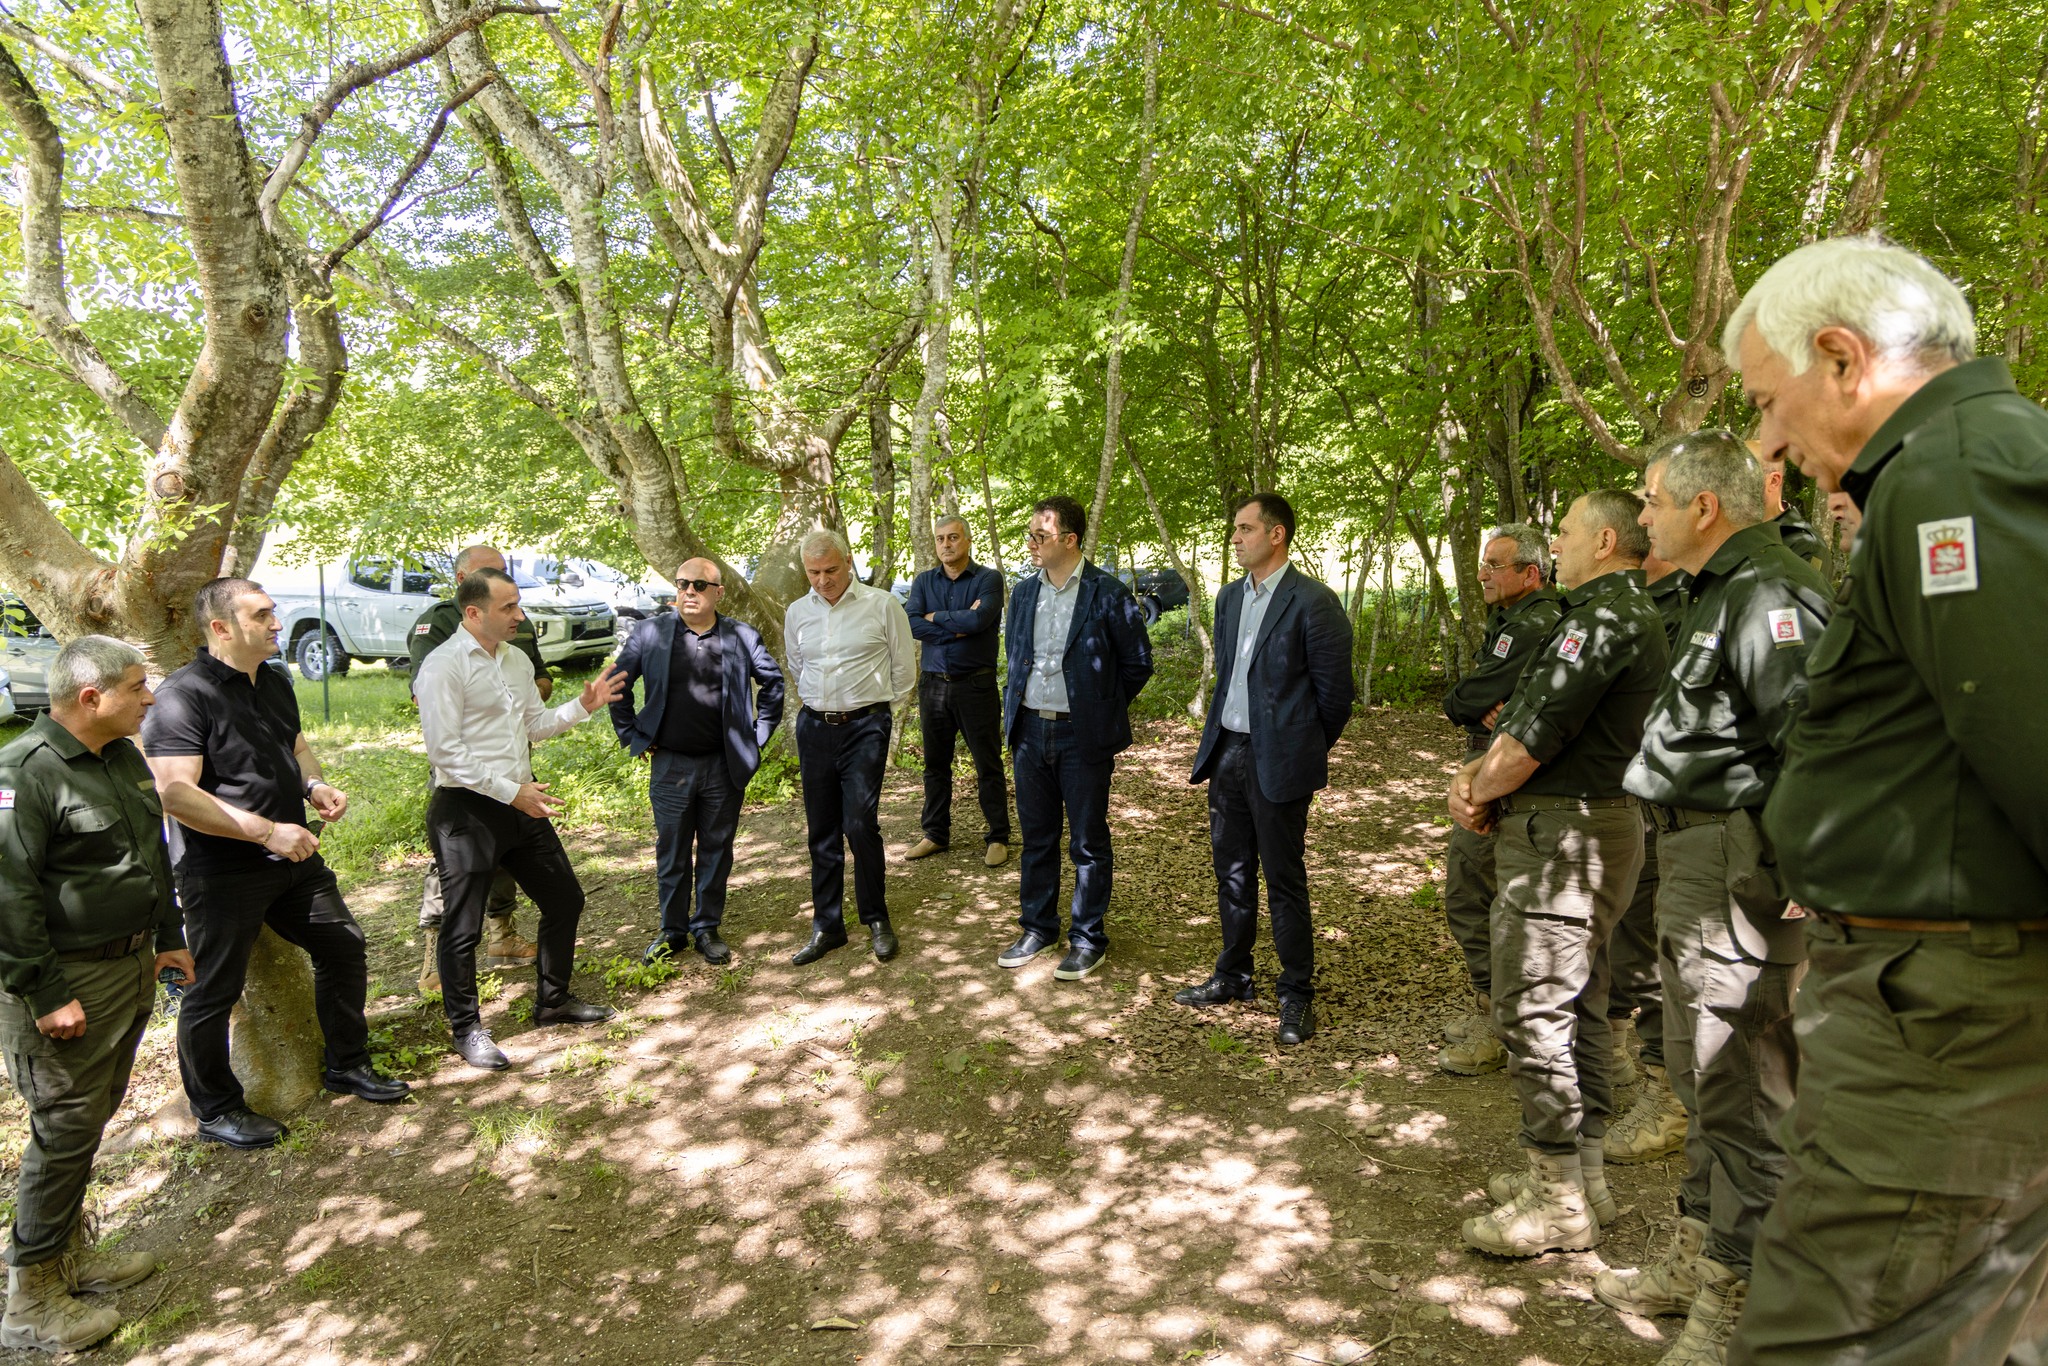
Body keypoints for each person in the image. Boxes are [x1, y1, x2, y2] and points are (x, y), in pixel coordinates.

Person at [1723, 238, 2048, 1364]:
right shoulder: (1947, 471)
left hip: (1948, 1032)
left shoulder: (1954, 479)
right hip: (1940, 1009)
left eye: (1765, 401)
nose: (1766, 440)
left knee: (1832, 1331)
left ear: (1840, 358)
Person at [1598, 431, 1832, 1364]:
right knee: (1703, 1079)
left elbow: (1811, 744)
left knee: (1744, 1082)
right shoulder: (1712, 590)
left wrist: (1792, 882)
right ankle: (1703, 1254)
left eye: (1652, 500)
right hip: (1694, 855)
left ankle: (1745, 1300)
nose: (1641, 516)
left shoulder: (1768, 590)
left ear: (1703, 506)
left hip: (1741, 864)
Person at [1447, 491, 1667, 1257]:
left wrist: (1475, 786)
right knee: (1581, 1004)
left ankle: (1557, 1200)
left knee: (1535, 1011)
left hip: (1564, 839)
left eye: (1567, 531)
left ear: (1604, 541)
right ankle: (1585, 1179)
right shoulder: (1625, 612)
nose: (1558, 544)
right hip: (1587, 829)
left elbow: (1531, 735)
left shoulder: (1602, 619)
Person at [144, 578, 410, 1149]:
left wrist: (315, 786)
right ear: (221, 628)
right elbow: (175, 793)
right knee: (213, 991)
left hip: (294, 857)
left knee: (343, 945)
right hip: (221, 870)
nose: (277, 624)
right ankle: (216, 1110)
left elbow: (296, 747)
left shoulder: (274, 679)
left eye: (273, 612)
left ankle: (346, 1064)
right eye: (262, 615)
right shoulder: (181, 696)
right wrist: (265, 830)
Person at [0, 638, 181, 1352]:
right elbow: (9, 896)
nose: (149, 699)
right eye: (137, 687)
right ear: (90, 697)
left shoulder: (122, 757)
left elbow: (151, 854)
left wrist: (168, 934)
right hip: (66, 982)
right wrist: (46, 993)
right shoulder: (24, 773)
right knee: (64, 1127)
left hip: (127, 967)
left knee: (91, 1115)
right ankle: (31, 1301)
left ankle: (68, 1256)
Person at [415, 568, 628, 1070]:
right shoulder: (443, 666)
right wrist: (514, 794)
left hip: (520, 802)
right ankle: (466, 1029)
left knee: (564, 898)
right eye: (508, 607)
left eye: (518, 604)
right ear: (473, 613)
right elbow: (446, 753)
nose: (520, 615)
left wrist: (582, 706)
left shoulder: (513, 659)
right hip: (467, 809)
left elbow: (535, 724)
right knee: (463, 926)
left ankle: (553, 1002)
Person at [1177, 493, 1355, 1045]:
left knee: (1283, 877)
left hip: (1279, 760)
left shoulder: (1314, 602)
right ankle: (1234, 975)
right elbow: (1229, 675)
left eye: (1245, 528)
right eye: (1235, 529)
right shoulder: (1230, 598)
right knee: (1231, 871)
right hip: (1227, 751)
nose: (1235, 538)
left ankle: (1296, 993)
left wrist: (1297, 747)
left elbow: (1335, 699)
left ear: (1276, 535)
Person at [999, 495, 1153, 980]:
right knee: (1036, 839)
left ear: (1069, 539)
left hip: (1081, 735)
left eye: (1040, 536)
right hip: (1029, 731)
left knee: (1088, 842)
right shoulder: (1024, 593)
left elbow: (1137, 664)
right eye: (1029, 535)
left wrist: (1098, 705)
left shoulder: (1108, 593)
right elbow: (1016, 654)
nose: (1031, 543)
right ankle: (1038, 927)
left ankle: (1088, 938)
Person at [609, 558, 784, 966]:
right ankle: (672, 931)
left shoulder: (741, 635)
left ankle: (706, 926)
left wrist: (756, 737)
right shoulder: (651, 633)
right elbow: (616, 684)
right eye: (683, 583)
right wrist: (632, 733)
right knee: (671, 850)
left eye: (700, 585)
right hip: (670, 764)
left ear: (718, 593)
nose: (690, 591)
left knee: (716, 849)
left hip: (723, 765)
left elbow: (773, 683)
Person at [1433, 524, 1560, 1075]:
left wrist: (1472, 701)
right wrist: (1474, 700)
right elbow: (1474, 696)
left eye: (1494, 565)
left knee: (1473, 888)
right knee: (1477, 889)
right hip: (1492, 760)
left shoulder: (1536, 622)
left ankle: (1501, 1024)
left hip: (1510, 770)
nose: (1482, 573)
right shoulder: (1509, 617)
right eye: (1483, 562)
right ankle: (1494, 1009)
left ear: (1530, 573)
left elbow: (1465, 699)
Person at [408, 544, 545, 993]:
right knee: (456, 864)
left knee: (509, 850)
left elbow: (538, 677)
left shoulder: (513, 619)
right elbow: (427, 695)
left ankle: (502, 932)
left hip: (512, 755)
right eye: (492, 572)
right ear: (464, 581)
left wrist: (522, 696)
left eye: (506, 571)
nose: (505, 581)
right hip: (464, 773)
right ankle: (436, 950)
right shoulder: (439, 625)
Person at [782, 530, 917, 966]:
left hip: (865, 726)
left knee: (859, 823)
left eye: (831, 570)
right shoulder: (798, 612)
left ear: (848, 561)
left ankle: (876, 917)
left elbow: (904, 670)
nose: (823, 580)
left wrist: (871, 709)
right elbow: (798, 665)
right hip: (814, 727)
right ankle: (828, 926)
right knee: (821, 830)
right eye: (813, 573)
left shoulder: (882, 605)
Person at [1600, 542, 1691, 1165]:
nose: (1649, 525)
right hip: (1636, 795)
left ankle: (1670, 1099)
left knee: (1667, 948)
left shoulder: (1701, 599)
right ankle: (1618, 1059)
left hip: (1687, 804)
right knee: (1626, 930)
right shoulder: (1637, 606)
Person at [904, 516, 1011, 868]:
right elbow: (910, 622)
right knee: (935, 766)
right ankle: (935, 834)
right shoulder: (924, 581)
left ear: (967, 540)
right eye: (940, 539)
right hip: (933, 685)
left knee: (987, 764)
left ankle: (998, 836)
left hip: (976, 685)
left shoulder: (988, 579)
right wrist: (957, 625)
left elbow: (980, 621)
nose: (946, 544)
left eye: (952, 537)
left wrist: (935, 617)